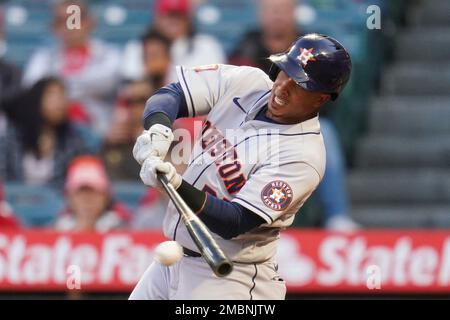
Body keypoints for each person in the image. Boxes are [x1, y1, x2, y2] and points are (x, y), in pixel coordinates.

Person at [129, 33, 352, 300]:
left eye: (299, 84)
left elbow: (235, 222)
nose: (282, 87)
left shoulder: (303, 155)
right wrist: (159, 128)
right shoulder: (249, 83)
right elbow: (173, 93)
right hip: (174, 260)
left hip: (228, 278)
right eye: (284, 73)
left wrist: (177, 186)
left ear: (321, 99)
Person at [230, 0, 358, 231]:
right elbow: (234, 91)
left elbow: (326, 97)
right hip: (253, 121)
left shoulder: (309, 47)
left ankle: (336, 216)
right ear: (261, 15)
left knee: (326, 132)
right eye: (271, 10)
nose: (276, 16)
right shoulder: (247, 45)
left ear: (294, 13)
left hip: (299, 125)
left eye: (282, 10)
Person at [22, 0, 121, 136]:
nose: (71, 26)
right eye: (63, 20)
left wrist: (59, 89)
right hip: (54, 136)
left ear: (89, 22)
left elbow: (108, 82)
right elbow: (33, 90)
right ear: (54, 26)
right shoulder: (43, 58)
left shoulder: (108, 54)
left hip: (101, 134)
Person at [0, 77, 95, 188]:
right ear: (37, 99)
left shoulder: (75, 140)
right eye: (53, 95)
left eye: (63, 95)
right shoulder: (13, 137)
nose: (60, 101)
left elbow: (82, 180)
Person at [121, 0, 226, 84]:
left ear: (188, 19)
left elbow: (216, 82)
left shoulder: (206, 45)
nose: (173, 21)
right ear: (157, 18)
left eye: (179, 16)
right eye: (168, 16)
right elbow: (131, 83)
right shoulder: (137, 46)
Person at [55, 156, 131, 231]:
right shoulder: (56, 229)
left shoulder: (125, 229)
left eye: (94, 191)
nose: (87, 199)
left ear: (106, 197)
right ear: (69, 197)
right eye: (81, 192)